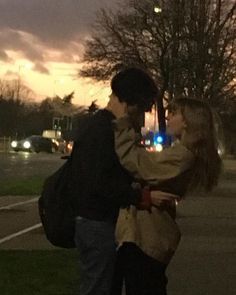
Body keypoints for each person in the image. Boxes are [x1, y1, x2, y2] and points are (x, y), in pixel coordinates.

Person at [108, 98, 222, 295]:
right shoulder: (181, 153)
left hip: (149, 237)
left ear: (187, 121)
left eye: (175, 113)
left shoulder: (183, 156)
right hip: (148, 234)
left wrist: (123, 123)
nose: (168, 116)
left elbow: (137, 163)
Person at [71, 67, 163, 295]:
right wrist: (140, 196)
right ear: (129, 103)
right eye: (141, 108)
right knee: (99, 287)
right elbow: (100, 181)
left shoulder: (102, 127)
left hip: (98, 221)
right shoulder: (102, 130)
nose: (141, 115)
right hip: (97, 223)